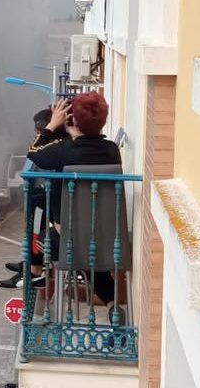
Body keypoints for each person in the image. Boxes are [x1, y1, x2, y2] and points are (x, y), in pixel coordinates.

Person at [26, 92, 123, 323]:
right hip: (108, 240)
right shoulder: (112, 150)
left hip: (69, 241)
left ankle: (33, 277)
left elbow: (34, 153)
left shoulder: (65, 151)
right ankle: (113, 305)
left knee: (40, 236)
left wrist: (52, 124)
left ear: (73, 121)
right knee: (89, 256)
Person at [0, 107, 68, 289]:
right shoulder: (67, 145)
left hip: (65, 214)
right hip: (65, 205)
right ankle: (32, 261)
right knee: (38, 202)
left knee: (38, 206)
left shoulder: (61, 147)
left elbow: (33, 151)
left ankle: (34, 268)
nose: (37, 133)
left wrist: (49, 129)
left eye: (39, 129)